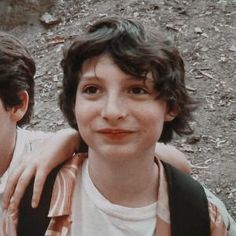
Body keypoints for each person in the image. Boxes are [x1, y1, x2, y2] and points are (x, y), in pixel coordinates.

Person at [5, 17, 235, 235]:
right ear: (74, 103)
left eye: (137, 90)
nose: (112, 112)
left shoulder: (205, 219)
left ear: (171, 106)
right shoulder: (29, 206)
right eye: (92, 90)